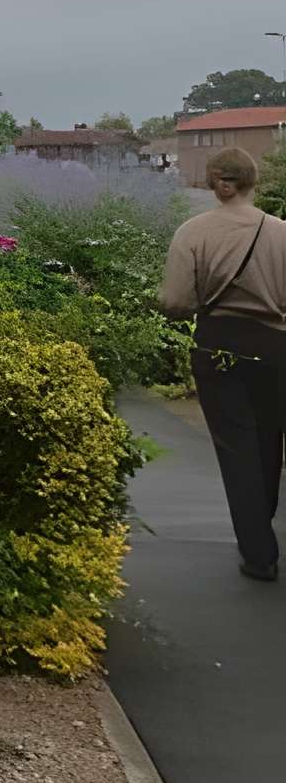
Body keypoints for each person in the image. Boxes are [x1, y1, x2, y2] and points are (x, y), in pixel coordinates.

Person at [160, 147, 286, 582]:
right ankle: (261, 521)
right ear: (254, 182)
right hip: (274, 347)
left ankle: (258, 553)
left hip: (218, 345)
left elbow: (175, 301)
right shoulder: (282, 233)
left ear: (215, 183)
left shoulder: (192, 233)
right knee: (270, 439)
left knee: (237, 448)